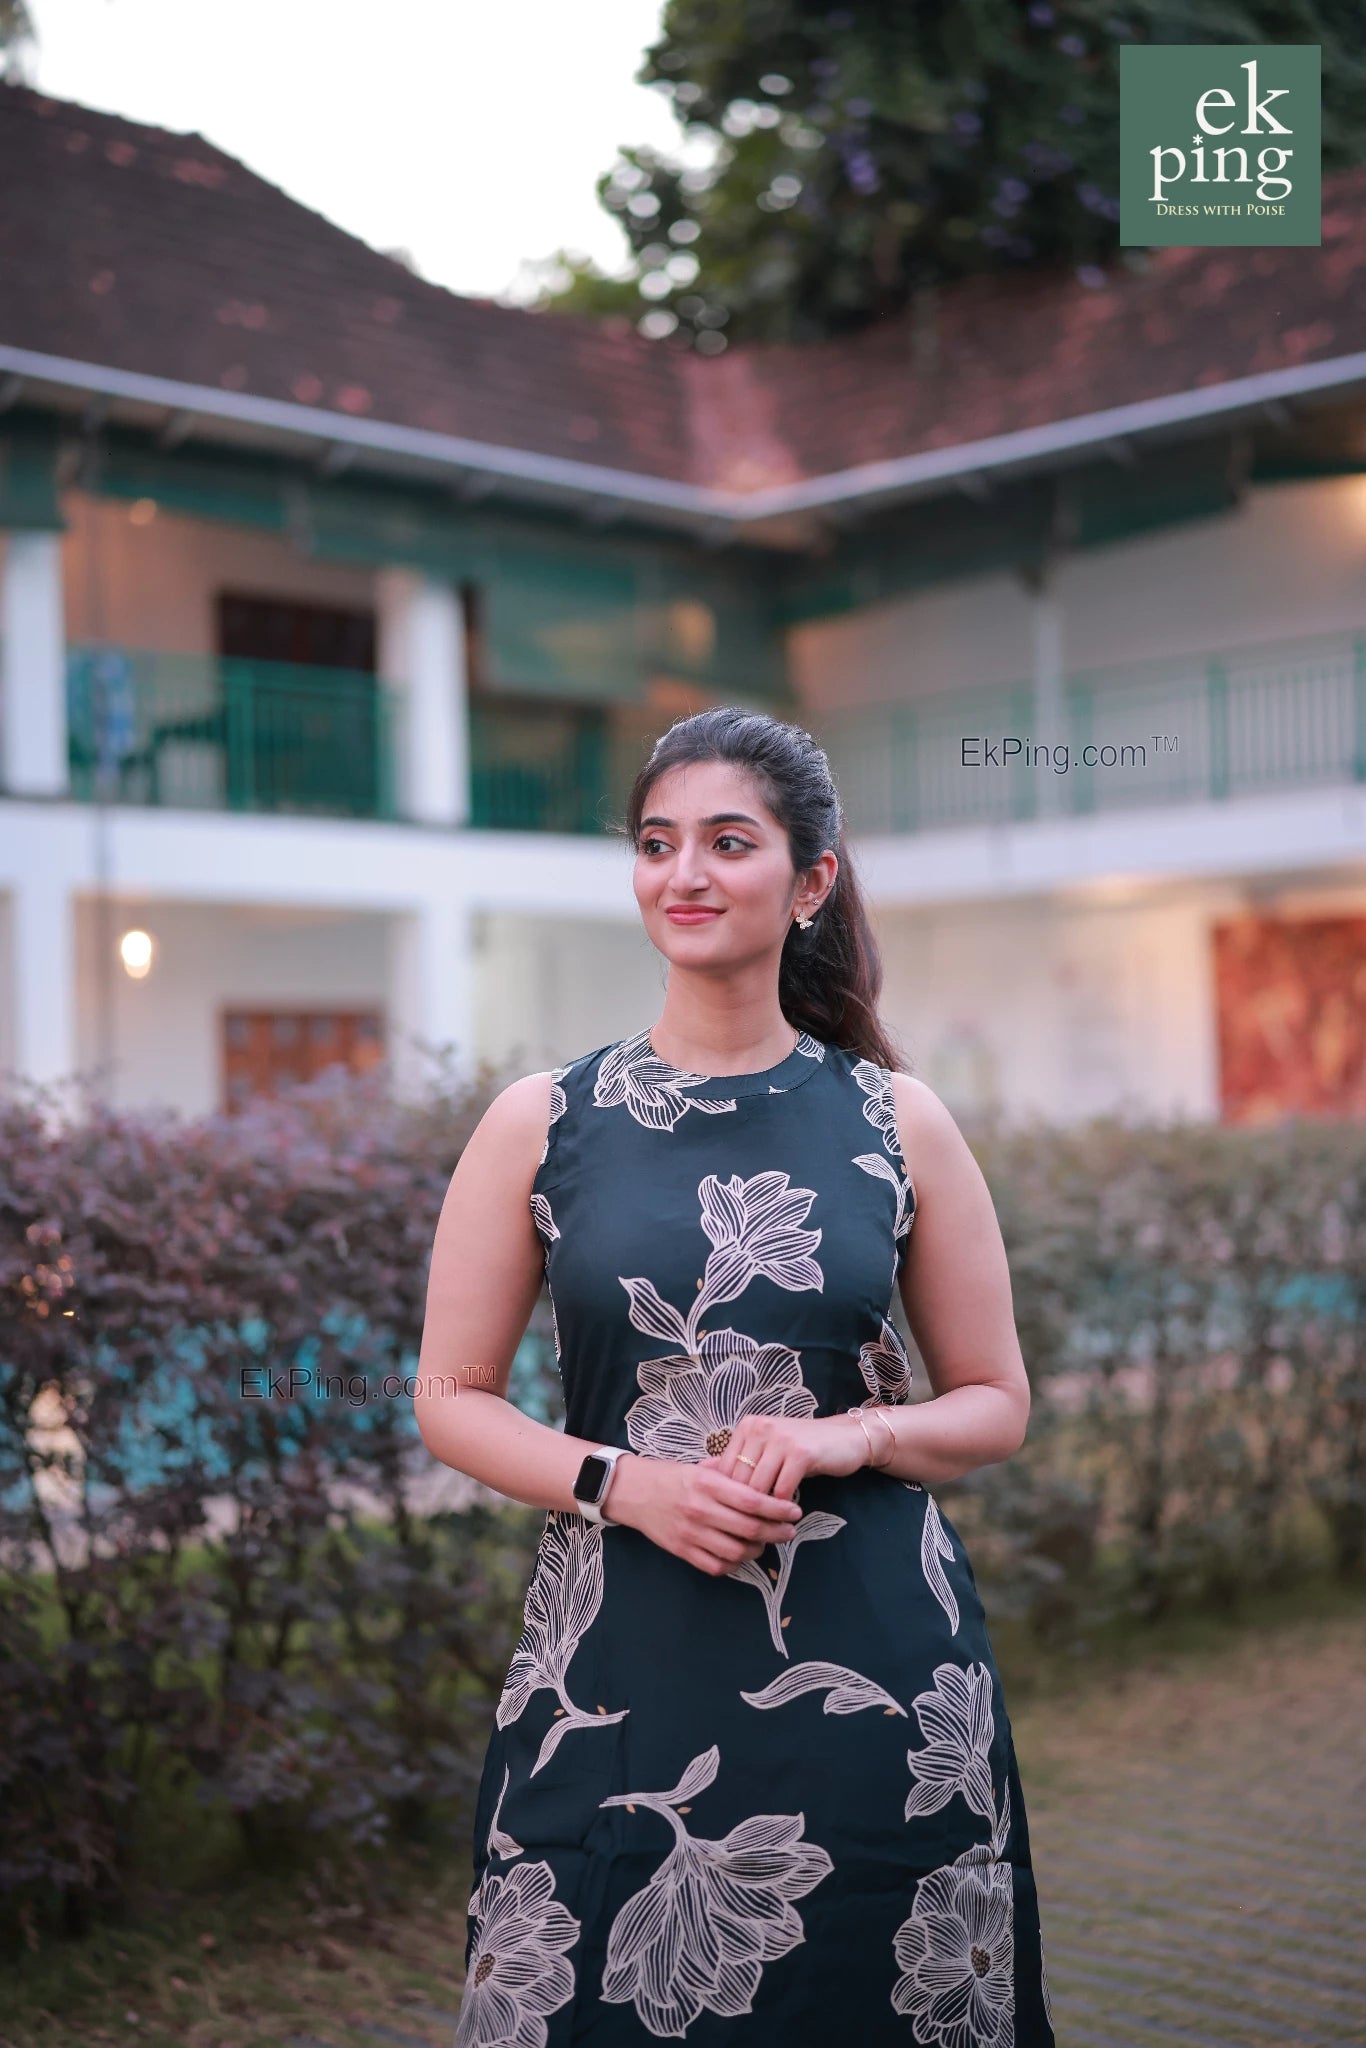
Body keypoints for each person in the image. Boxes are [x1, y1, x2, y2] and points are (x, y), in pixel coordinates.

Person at [414, 707, 1056, 2045]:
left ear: (810, 881)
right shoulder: (544, 1122)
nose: (684, 873)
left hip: (876, 1676)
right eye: (657, 843)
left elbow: (994, 1400)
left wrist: (851, 1438)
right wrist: (622, 1484)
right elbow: (450, 1398)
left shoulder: (896, 1121)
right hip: (615, 1669)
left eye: (727, 841)